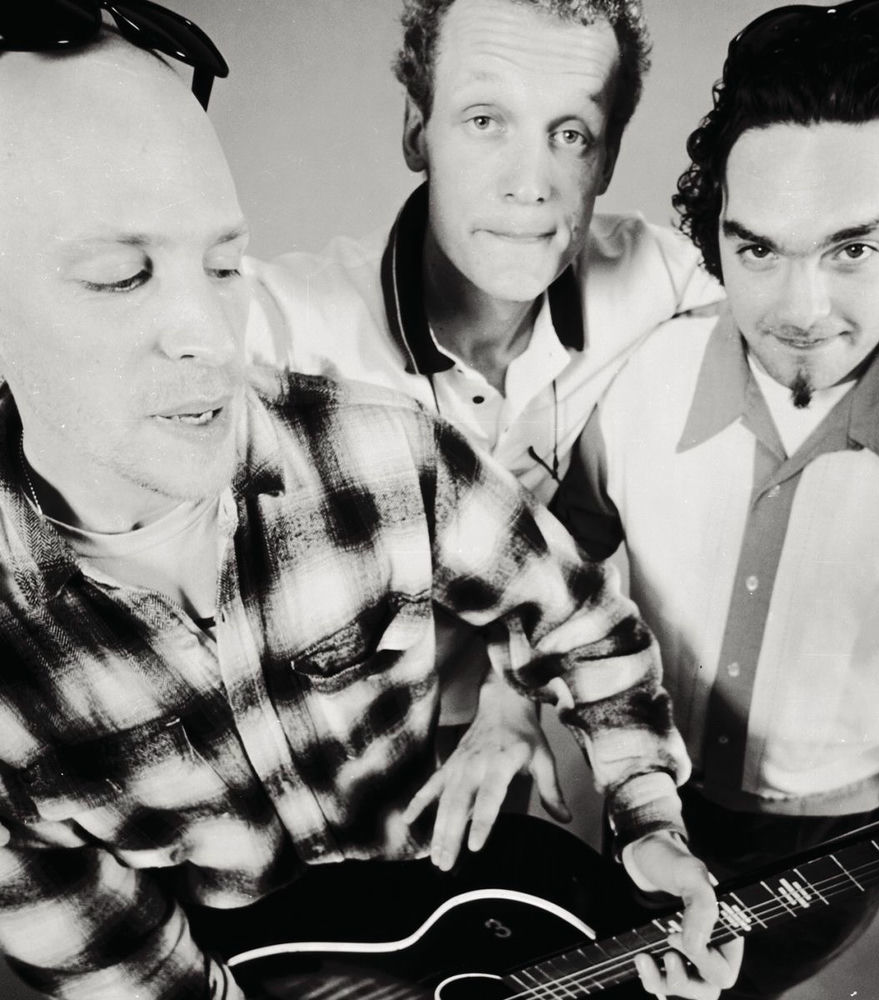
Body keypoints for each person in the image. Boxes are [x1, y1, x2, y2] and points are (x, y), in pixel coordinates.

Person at [0, 11, 741, 1000]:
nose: (208, 333)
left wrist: (646, 815)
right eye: (120, 275)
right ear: (416, 128)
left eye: (222, 264)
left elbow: (582, 617)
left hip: (454, 887)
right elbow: (122, 968)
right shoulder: (302, 321)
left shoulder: (392, 446)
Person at [552, 1, 879, 997]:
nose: (800, 311)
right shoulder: (634, 376)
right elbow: (548, 569)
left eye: (853, 248)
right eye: (758, 249)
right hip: (639, 797)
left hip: (842, 832)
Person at [241, 0, 726, 858]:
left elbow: (815, 295)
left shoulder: (656, 280)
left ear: (609, 157)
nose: (530, 182)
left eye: (570, 134)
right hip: (302, 785)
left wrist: (512, 696)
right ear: (416, 130)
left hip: (493, 750)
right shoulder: (284, 330)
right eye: (485, 120)